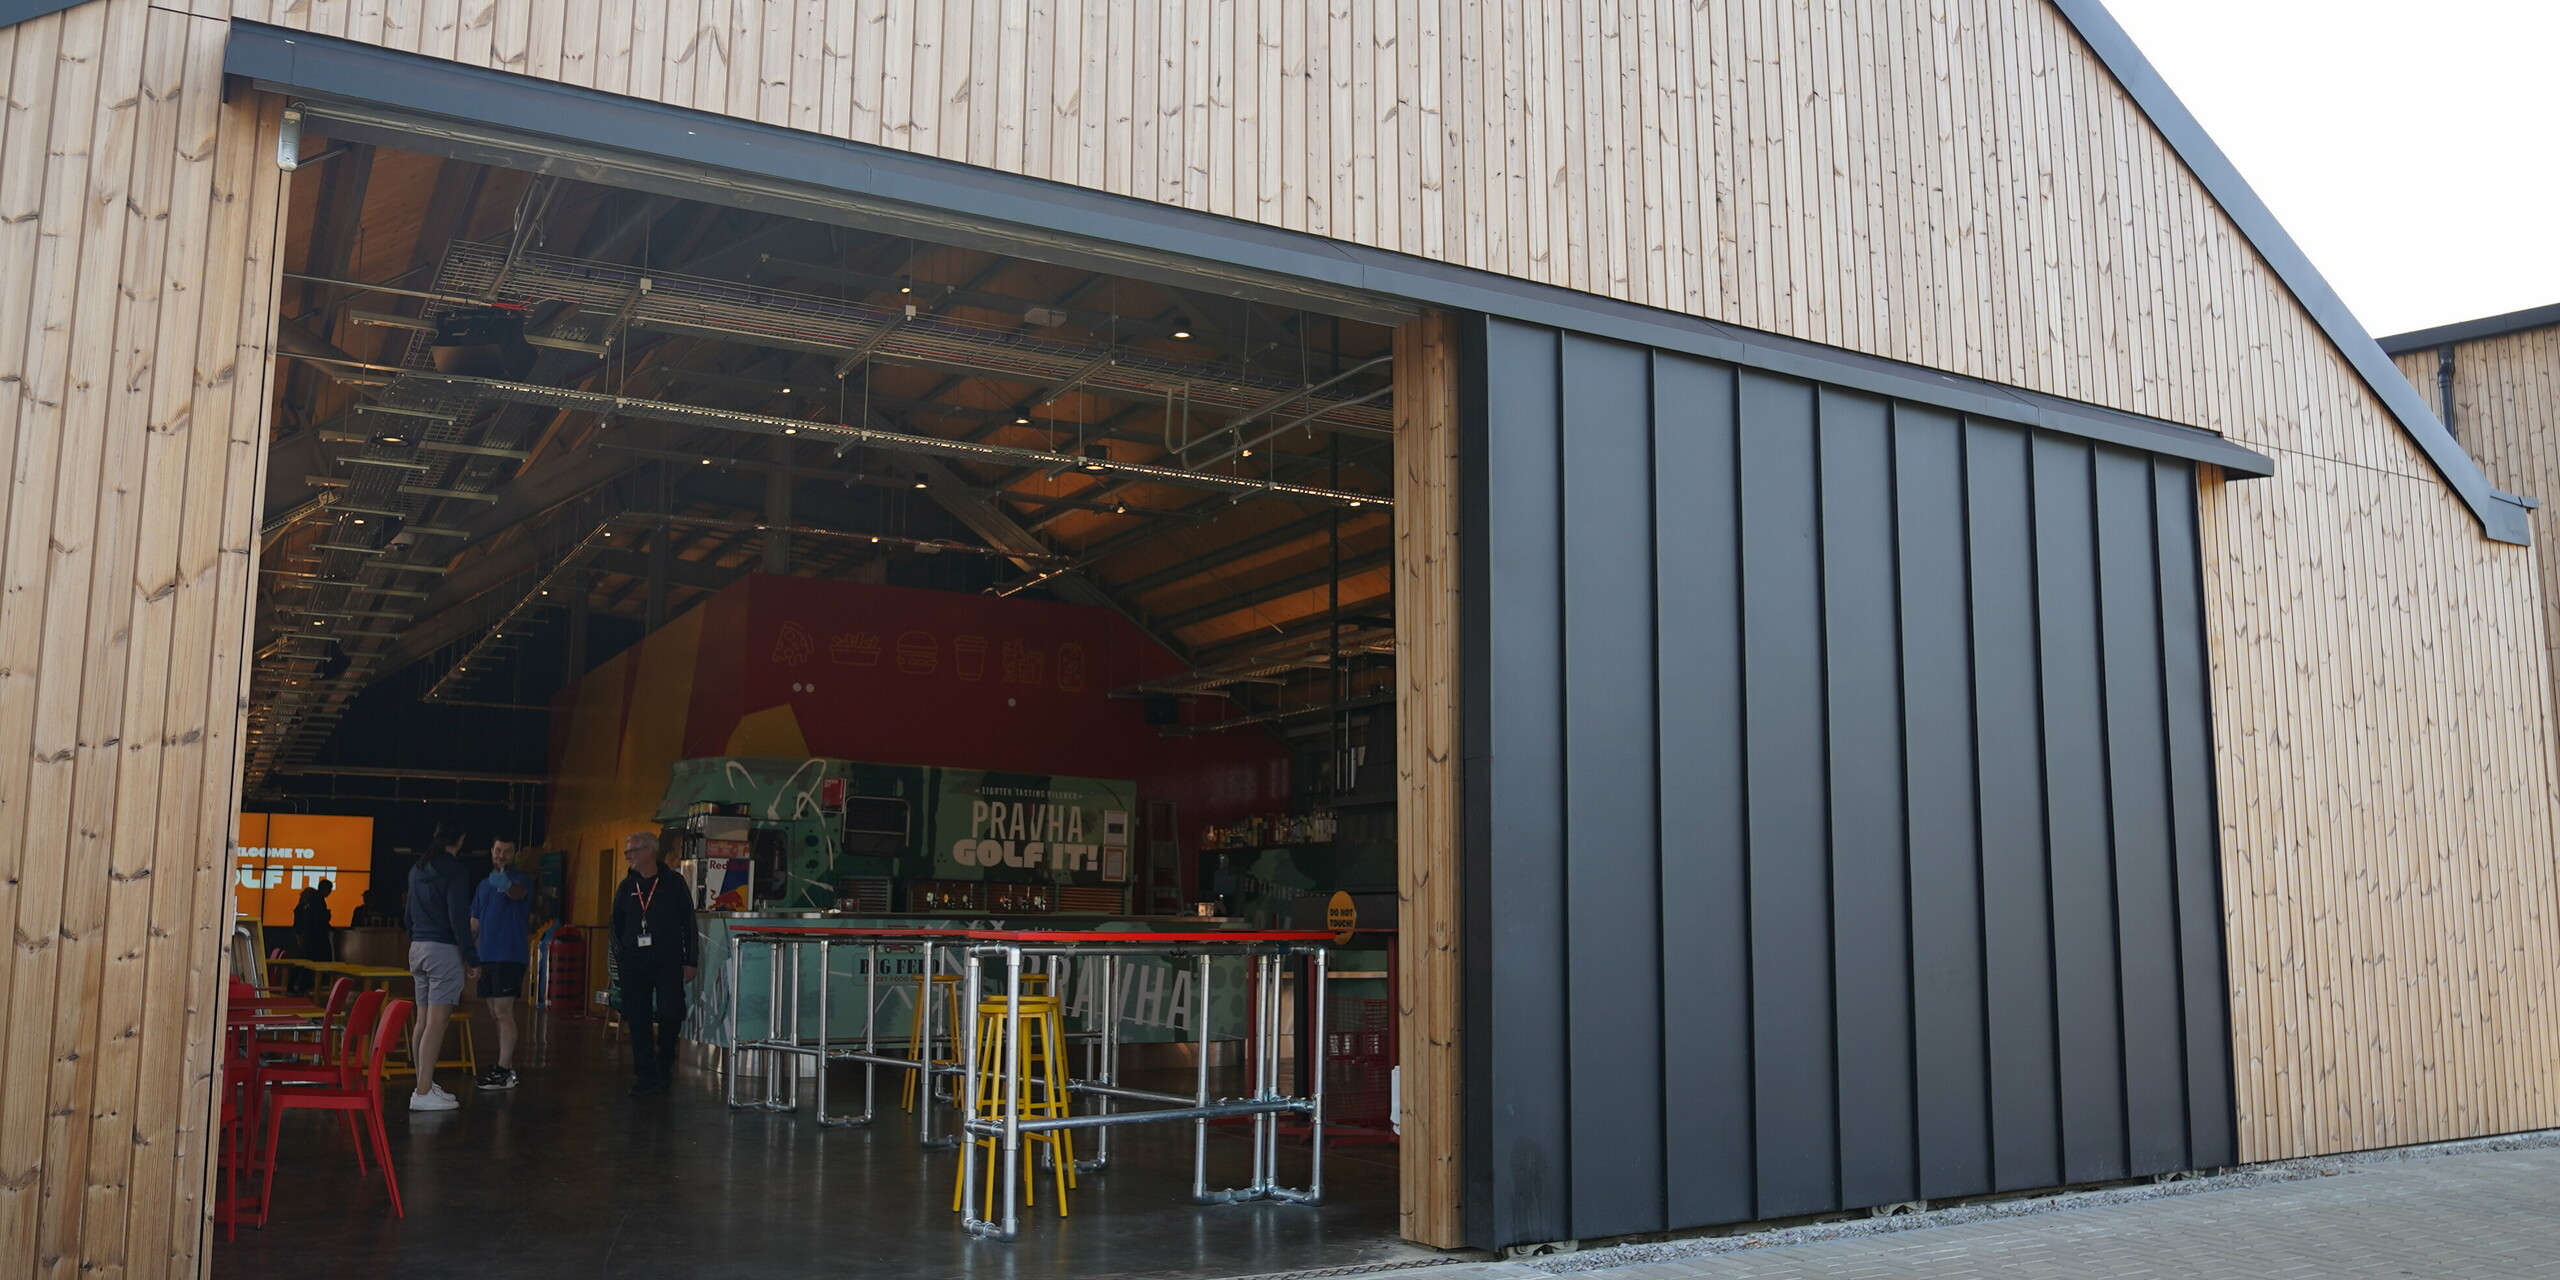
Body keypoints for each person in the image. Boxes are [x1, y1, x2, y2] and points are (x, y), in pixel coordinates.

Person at [608, 831, 697, 1094]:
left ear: (649, 852)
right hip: (634, 964)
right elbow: (615, 924)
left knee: (671, 1012)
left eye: (632, 851)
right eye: (626, 852)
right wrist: (621, 957)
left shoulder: (673, 883)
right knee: (638, 1017)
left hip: (667, 960)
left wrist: (690, 960)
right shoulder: (627, 887)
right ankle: (645, 1074)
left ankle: (665, 1062)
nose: (628, 857)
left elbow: (688, 923)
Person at [405, 825, 477, 1112]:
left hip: (418, 948)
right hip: (443, 951)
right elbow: (459, 918)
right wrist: (471, 957)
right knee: (437, 1022)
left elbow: (408, 914)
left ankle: (423, 1083)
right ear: (461, 839)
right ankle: (423, 1093)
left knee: (423, 1021)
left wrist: (417, 938)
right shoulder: (455, 871)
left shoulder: (417, 868)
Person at [469, 839, 536, 1090]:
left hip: (510, 954)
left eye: (507, 851)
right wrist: (470, 954)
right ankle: (503, 1065)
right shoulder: (483, 885)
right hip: (486, 955)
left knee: (503, 1012)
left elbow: (519, 893)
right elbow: (474, 922)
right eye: (498, 850)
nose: (502, 855)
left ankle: (504, 1070)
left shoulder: (521, 880)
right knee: (494, 1013)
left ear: (514, 854)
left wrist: (507, 885)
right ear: (491, 851)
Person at [287, 881, 332, 994]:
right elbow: (318, 920)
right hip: (316, 939)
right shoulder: (318, 901)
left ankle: (294, 986)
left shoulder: (302, 906)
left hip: (307, 937)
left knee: (303, 962)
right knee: (316, 962)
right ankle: (307, 986)